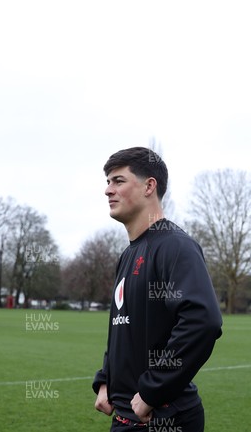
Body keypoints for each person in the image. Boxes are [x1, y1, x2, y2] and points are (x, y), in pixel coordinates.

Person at [93, 147, 222, 432]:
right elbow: (123, 328)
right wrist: (105, 379)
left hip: (164, 419)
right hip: (125, 416)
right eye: (107, 181)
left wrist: (153, 390)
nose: (107, 190)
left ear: (149, 185)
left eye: (118, 181)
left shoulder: (175, 246)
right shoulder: (127, 255)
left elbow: (203, 321)